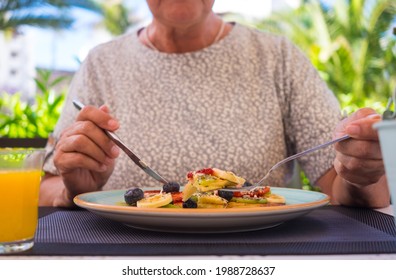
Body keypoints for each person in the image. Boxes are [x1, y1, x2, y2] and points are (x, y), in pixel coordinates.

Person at [39, 0, 390, 208]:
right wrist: (75, 188)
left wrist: (363, 168)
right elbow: (43, 186)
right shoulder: (102, 63)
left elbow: (344, 183)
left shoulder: (277, 57)